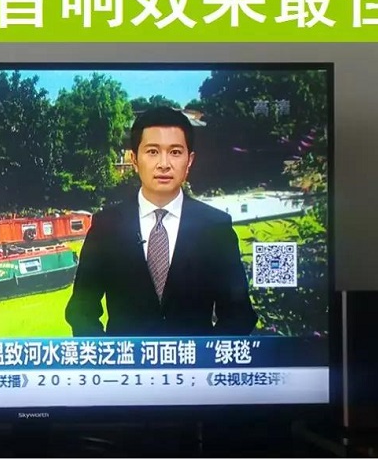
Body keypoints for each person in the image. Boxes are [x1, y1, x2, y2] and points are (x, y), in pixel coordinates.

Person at [65, 107, 257, 337]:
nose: (164, 164)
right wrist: (110, 356)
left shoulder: (216, 228)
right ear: (134, 159)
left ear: (189, 160)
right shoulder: (106, 227)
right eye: (153, 152)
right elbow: (81, 311)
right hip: (126, 359)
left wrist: (206, 355)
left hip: (195, 360)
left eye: (175, 152)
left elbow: (239, 314)